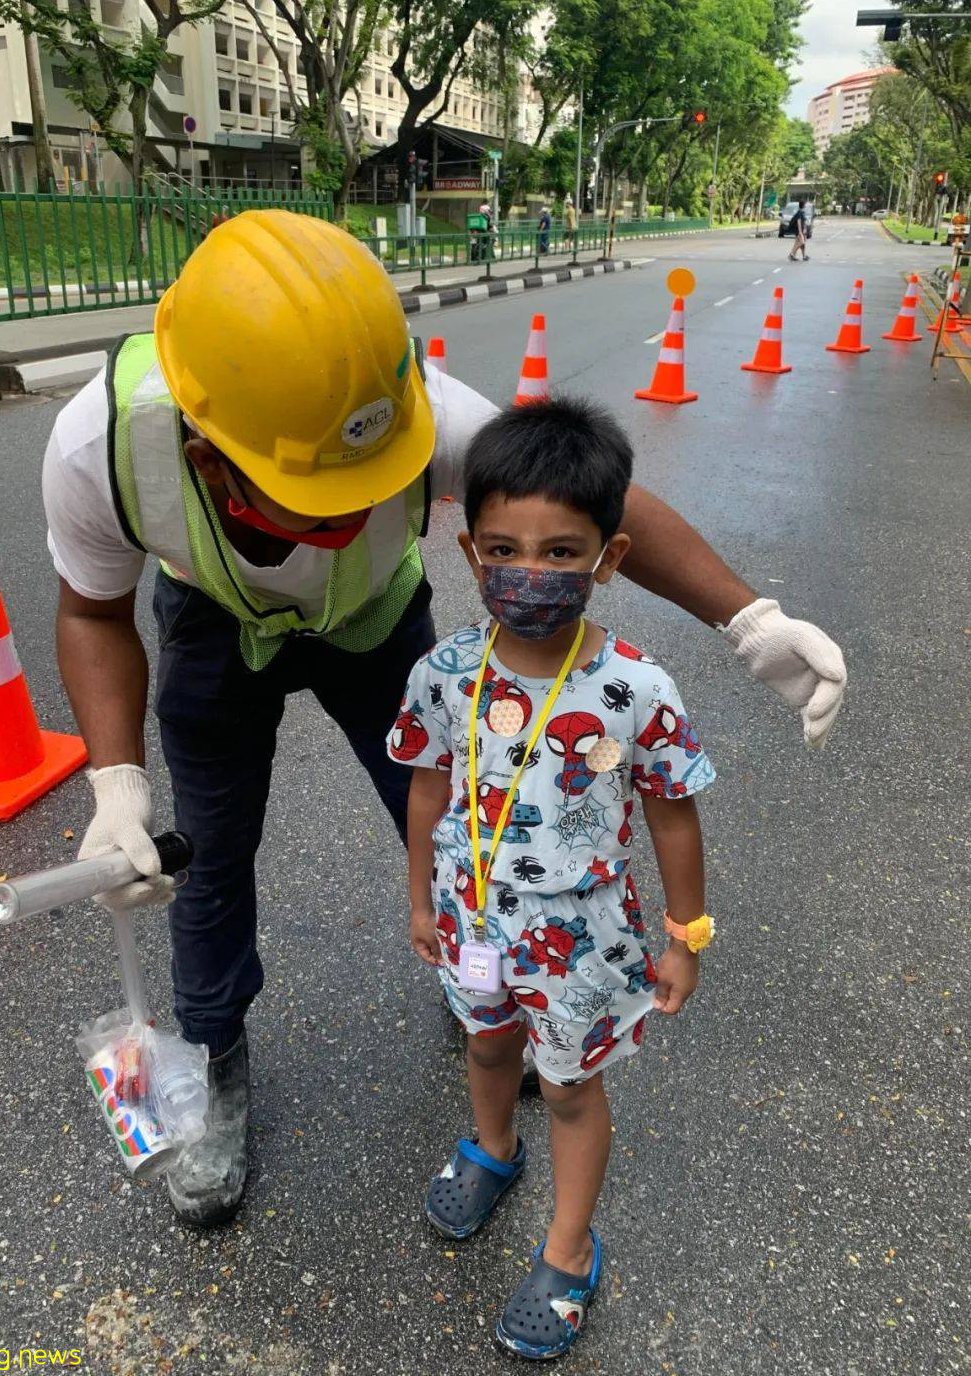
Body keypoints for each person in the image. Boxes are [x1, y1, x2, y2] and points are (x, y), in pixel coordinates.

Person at [42, 209, 845, 1230]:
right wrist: (115, 784)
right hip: (213, 621)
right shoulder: (101, 449)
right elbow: (90, 609)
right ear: (211, 460)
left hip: (377, 624)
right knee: (209, 845)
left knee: (465, 809)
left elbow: (599, 508)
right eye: (321, 500)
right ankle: (209, 1052)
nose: (361, 505)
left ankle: (489, 992)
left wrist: (749, 618)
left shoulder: (412, 411)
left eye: (377, 480)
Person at [390, 396, 715, 1359]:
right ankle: (492, 1149)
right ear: (468, 552)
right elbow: (425, 790)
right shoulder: (445, 673)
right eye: (504, 548)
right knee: (486, 1048)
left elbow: (672, 809)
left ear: (608, 558)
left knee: (571, 1088)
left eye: (561, 552)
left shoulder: (637, 690)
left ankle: (570, 1249)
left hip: (583, 942)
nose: (529, 572)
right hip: (470, 919)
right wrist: (420, 900)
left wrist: (686, 935)